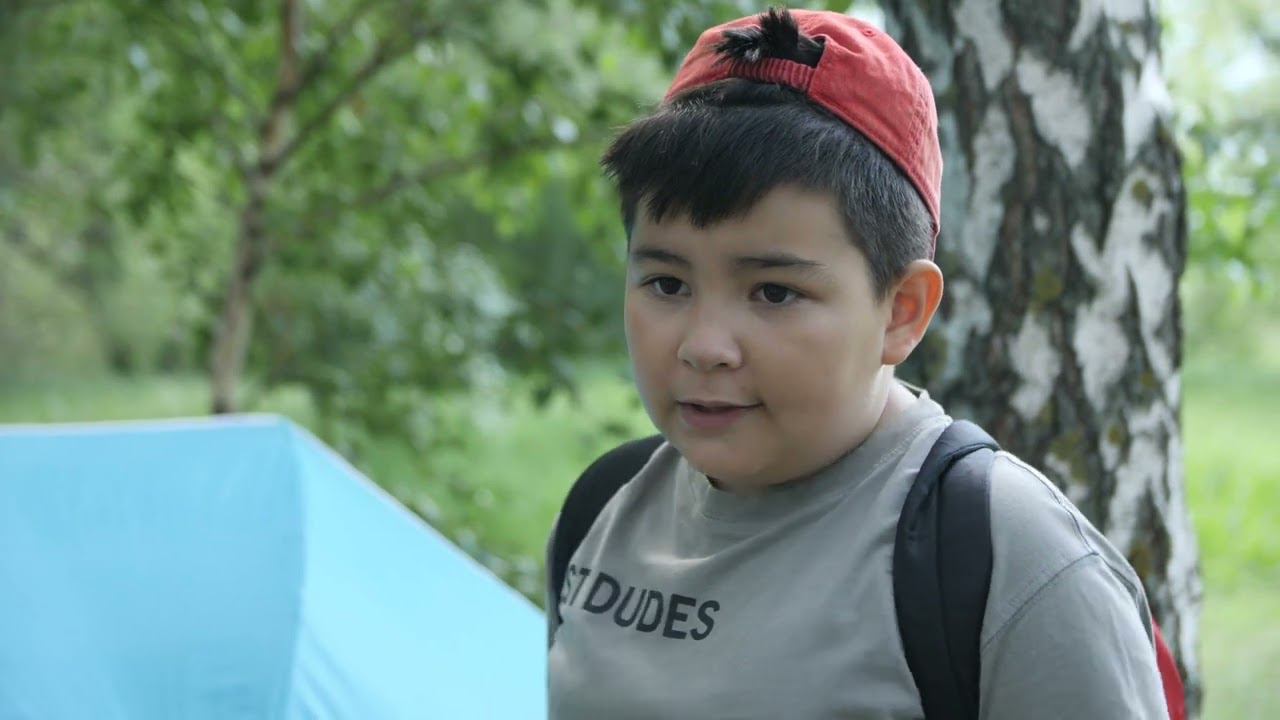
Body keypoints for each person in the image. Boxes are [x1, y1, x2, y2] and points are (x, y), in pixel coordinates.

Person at [545, 7, 1168, 718]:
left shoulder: (1009, 562)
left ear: (902, 311)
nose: (704, 346)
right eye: (666, 284)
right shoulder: (605, 509)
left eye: (774, 292)